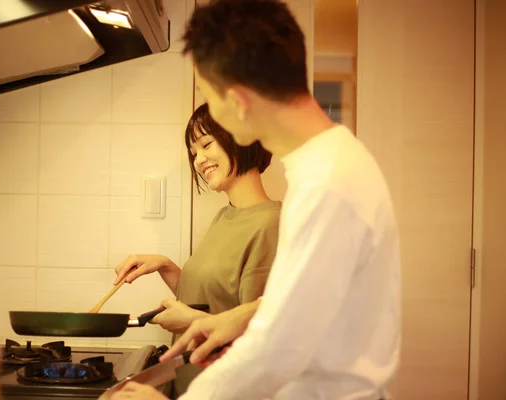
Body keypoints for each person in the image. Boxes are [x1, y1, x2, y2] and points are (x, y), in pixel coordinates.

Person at [107, 0, 401, 399]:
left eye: (211, 98)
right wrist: (244, 314)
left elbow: (281, 348)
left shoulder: (326, 184)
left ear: (239, 99)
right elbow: (301, 305)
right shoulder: (329, 165)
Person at [112, 102, 281, 397]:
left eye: (206, 144)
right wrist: (166, 266)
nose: (199, 160)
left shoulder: (271, 224)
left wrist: (189, 321)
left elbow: (261, 338)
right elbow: (210, 301)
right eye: (194, 153)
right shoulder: (225, 216)